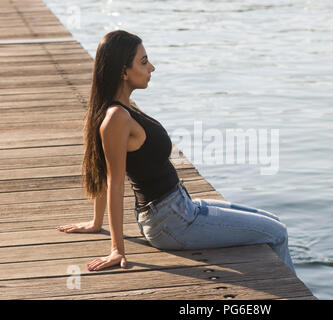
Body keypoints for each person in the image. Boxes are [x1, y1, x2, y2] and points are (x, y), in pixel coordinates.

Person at [56, 30, 296, 276]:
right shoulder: (116, 118)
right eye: (143, 61)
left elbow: (104, 168)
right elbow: (113, 180)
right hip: (173, 222)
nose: (152, 67)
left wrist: (97, 224)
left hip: (180, 208)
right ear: (123, 72)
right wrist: (117, 249)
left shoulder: (124, 110)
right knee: (277, 234)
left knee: (272, 221)